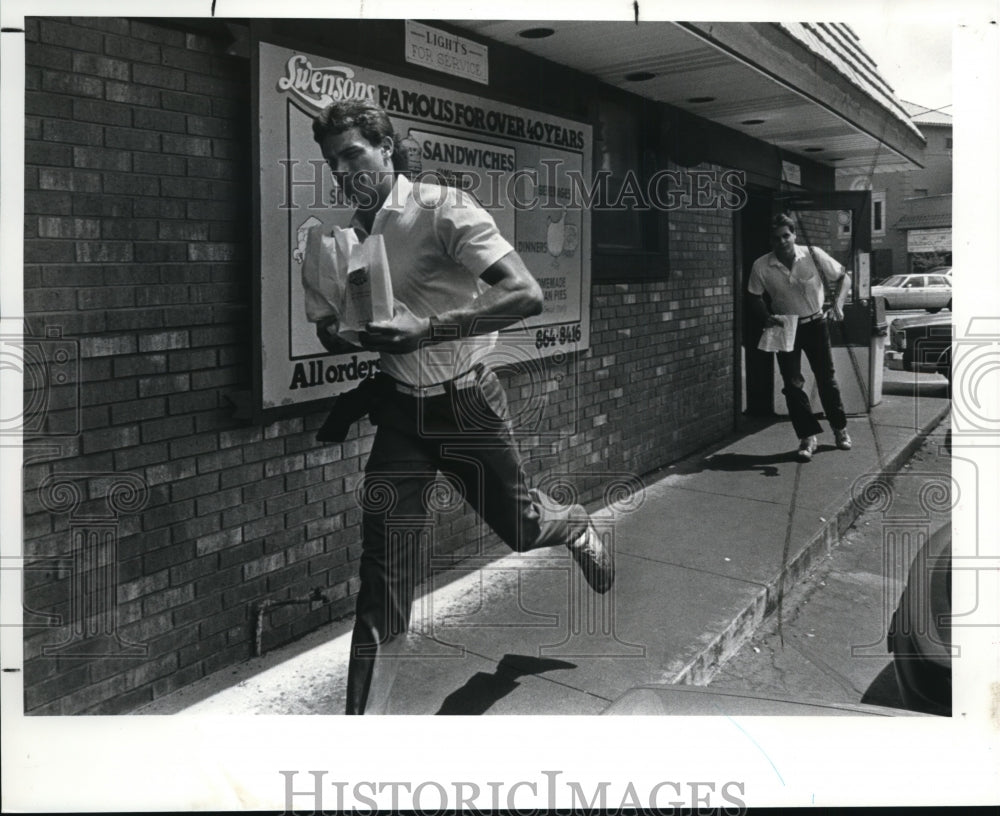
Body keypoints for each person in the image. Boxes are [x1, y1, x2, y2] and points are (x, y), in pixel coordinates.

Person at [306, 100, 614, 714]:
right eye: (332, 161)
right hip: (400, 414)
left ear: (386, 148)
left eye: (353, 154)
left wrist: (429, 329)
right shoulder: (348, 238)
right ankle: (360, 737)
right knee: (383, 575)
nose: (343, 170)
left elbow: (524, 293)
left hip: (467, 404)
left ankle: (574, 523)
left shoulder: (442, 208)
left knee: (522, 530)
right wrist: (338, 333)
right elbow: (333, 327)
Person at [747, 213, 853, 462]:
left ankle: (840, 430)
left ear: (793, 235)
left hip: (815, 323)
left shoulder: (813, 255)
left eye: (786, 235)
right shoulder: (761, 265)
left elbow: (844, 277)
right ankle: (808, 437)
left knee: (826, 379)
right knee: (792, 385)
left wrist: (838, 304)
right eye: (776, 238)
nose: (782, 241)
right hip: (785, 326)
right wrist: (766, 316)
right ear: (770, 241)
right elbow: (753, 295)